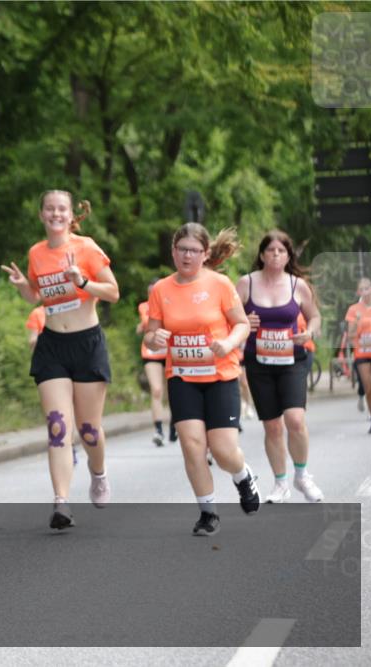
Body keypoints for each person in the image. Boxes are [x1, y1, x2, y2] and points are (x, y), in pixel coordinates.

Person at [2, 190, 120, 530]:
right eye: (49, 209)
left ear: (71, 216)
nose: (55, 214)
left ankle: (98, 473)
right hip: (52, 344)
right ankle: (61, 502)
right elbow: (37, 296)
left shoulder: (87, 248)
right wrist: (23, 286)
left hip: (87, 343)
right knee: (57, 426)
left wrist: (82, 281)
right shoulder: (36, 253)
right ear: (41, 214)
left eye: (61, 209)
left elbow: (113, 292)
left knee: (88, 430)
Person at [145, 223, 260, 536]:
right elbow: (151, 335)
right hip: (182, 377)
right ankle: (208, 513)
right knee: (192, 446)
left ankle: (243, 476)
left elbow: (241, 324)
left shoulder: (220, 284)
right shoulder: (161, 290)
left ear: (205, 254)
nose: (187, 256)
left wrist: (229, 342)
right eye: (182, 249)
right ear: (173, 252)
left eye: (194, 250)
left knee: (223, 451)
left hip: (220, 376)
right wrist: (156, 338)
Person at [236, 230, 323, 503]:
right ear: (262, 255)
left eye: (281, 251)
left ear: (288, 256)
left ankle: (302, 476)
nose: (276, 254)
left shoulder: (298, 285)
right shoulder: (246, 284)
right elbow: (227, 318)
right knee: (272, 426)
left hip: (291, 361)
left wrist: (309, 332)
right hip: (259, 363)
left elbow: (315, 317)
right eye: (271, 250)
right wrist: (243, 323)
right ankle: (280, 483)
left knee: (295, 420)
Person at [27, 306, 79, 465]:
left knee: (71, 408)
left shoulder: (72, 305)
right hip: (50, 361)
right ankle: (68, 446)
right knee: (60, 413)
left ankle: (71, 444)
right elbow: (32, 340)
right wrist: (46, 338)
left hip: (75, 358)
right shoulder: (37, 313)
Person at [137, 279, 174, 446]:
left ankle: (174, 425)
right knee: (157, 390)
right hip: (151, 353)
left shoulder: (171, 303)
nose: (152, 295)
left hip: (169, 352)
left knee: (172, 392)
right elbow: (147, 322)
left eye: (155, 292)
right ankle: (158, 430)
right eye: (149, 292)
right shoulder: (144, 306)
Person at [346, 277, 371, 433]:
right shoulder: (354, 310)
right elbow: (350, 335)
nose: (365, 292)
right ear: (358, 292)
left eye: (367, 288)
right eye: (362, 289)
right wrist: (356, 322)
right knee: (369, 389)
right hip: (362, 353)